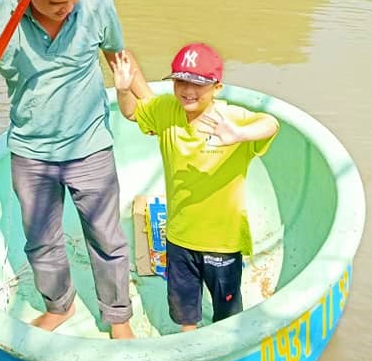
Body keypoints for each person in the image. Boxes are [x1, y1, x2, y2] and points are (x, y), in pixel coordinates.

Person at [0, 0, 150, 339]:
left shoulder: (97, 7)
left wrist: (156, 110)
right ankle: (60, 306)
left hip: (90, 145)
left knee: (108, 238)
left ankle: (118, 317)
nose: (69, 8)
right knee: (41, 241)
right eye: (58, 3)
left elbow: (119, 58)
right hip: (31, 151)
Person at [111, 43, 279, 331]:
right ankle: (189, 342)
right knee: (184, 308)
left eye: (198, 85)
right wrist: (124, 90)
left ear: (217, 87)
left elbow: (271, 123)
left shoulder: (230, 118)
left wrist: (239, 135)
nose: (188, 91)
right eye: (181, 82)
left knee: (227, 312)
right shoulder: (166, 109)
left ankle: (222, 345)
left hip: (222, 241)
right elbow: (132, 113)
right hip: (179, 236)